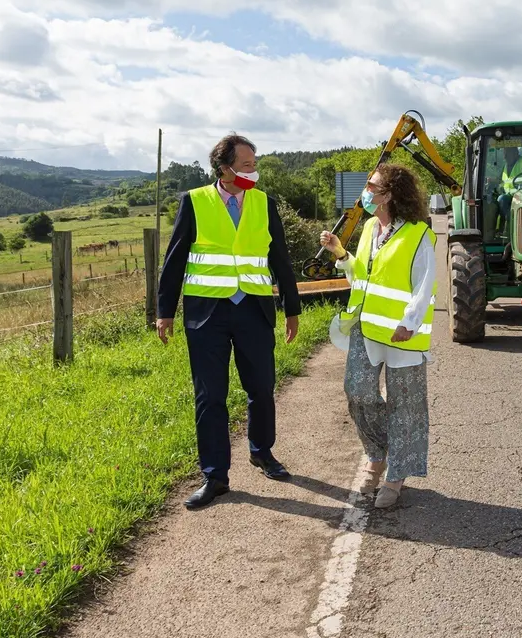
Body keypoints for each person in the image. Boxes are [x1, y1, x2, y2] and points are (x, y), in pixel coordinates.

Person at [156, 133, 302, 510]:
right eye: (248, 165)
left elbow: (279, 259)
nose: (255, 171)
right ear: (226, 168)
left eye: (255, 164)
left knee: (262, 387)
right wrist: (164, 312)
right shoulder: (194, 202)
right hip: (207, 316)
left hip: (254, 311)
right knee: (210, 397)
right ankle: (215, 476)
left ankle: (262, 452)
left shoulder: (265, 204)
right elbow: (174, 260)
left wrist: (292, 307)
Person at [318, 164, 436, 509]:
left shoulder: (419, 234)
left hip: (403, 336)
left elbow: (425, 284)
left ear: (390, 195)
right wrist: (342, 253)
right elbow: (364, 275)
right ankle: (377, 452)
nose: (366, 191)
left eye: (372, 186)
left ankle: (395, 474)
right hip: (366, 328)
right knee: (357, 391)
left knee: (406, 406)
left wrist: (409, 322)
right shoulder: (371, 226)